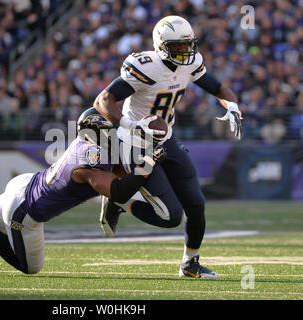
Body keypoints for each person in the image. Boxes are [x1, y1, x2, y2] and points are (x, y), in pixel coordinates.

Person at [0, 108, 166, 275]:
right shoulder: (88, 163)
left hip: (25, 186)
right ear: (97, 136)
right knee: (29, 268)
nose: (112, 135)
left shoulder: (86, 142)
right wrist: (147, 165)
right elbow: (118, 191)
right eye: (107, 133)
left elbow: (117, 167)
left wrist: (141, 152)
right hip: (26, 211)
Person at [94, 16, 244, 279]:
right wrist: (130, 125)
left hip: (166, 139)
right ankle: (121, 199)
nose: (184, 52)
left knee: (196, 204)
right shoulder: (146, 66)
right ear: (161, 45)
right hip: (137, 144)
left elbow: (219, 88)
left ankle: (190, 263)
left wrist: (232, 106)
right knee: (170, 217)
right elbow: (103, 100)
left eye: (188, 45)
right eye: (177, 47)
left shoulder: (191, 63)